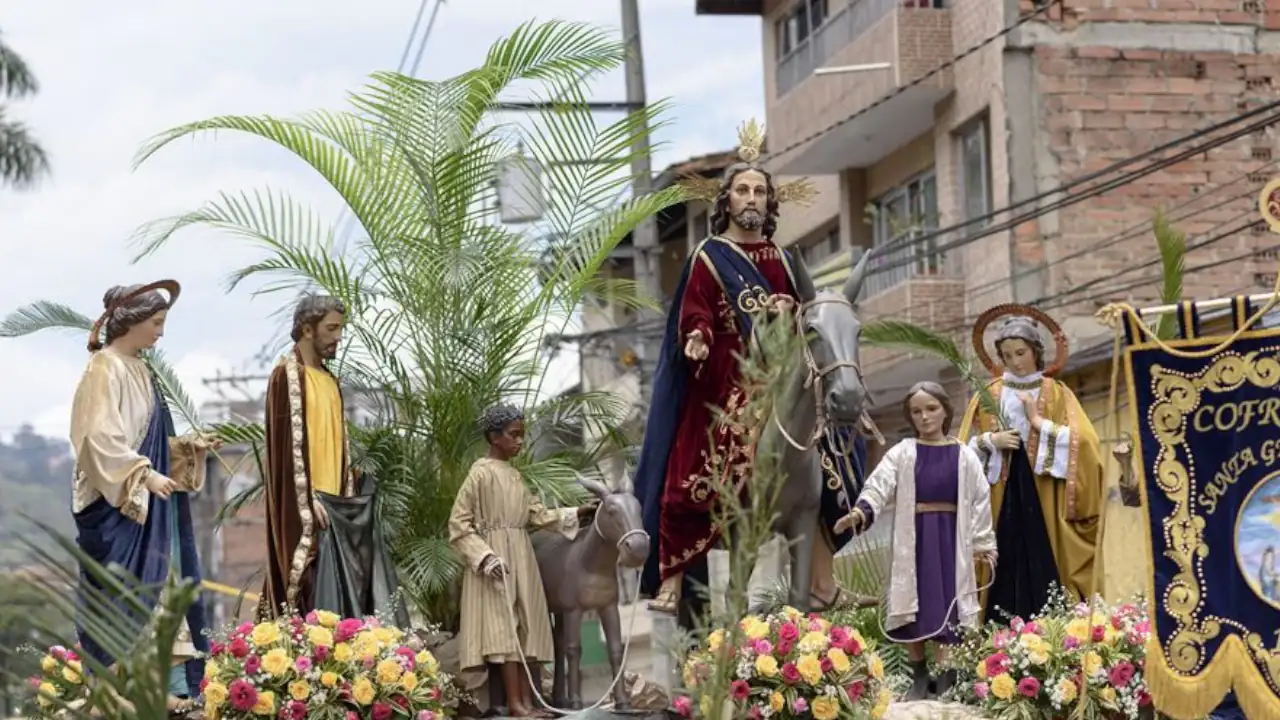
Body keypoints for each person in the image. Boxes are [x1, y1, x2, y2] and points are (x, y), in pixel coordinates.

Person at [633, 122, 869, 621]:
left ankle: (823, 579)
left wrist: (789, 307)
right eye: (742, 190)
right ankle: (673, 577)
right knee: (686, 468)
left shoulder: (781, 257)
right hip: (724, 371)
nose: (751, 199)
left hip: (778, 367)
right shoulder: (708, 255)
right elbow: (694, 309)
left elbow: (806, 314)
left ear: (769, 202)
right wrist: (696, 335)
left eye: (759, 191)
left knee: (835, 443)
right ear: (727, 200)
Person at [70, 280, 216, 707]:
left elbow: (148, 442)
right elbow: (96, 438)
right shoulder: (104, 368)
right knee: (124, 593)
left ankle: (159, 686)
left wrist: (188, 449)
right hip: (116, 504)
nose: (161, 333)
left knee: (159, 591)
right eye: (156, 323)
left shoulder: (142, 370)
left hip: (145, 505)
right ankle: (114, 689)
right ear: (131, 321)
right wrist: (142, 475)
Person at [835, 382, 996, 700]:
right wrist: (860, 512)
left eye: (931, 408)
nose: (925, 416)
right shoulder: (903, 452)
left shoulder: (965, 456)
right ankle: (919, 676)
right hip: (914, 539)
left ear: (945, 411)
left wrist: (983, 543)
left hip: (951, 540)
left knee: (947, 603)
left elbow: (980, 500)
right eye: (917, 411)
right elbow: (879, 484)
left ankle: (946, 677)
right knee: (913, 603)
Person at [258, 294, 405, 623]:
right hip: (310, 508)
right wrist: (307, 499)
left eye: (340, 329)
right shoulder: (287, 376)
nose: (339, 337)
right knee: (308, 597)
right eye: (332, 328)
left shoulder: (330, 380)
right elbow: (285, 454)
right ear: (307, 329)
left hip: (337, 508)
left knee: (341, 604)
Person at [447, 404, 597, 718]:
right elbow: (458, 524)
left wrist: (577, 512)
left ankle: (529, 703)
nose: (520, 441)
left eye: (521, 435)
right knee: (505, 630)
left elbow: (537, 514)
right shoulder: (480, 474)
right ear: (494, 437)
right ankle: (515, 705)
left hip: (521, 555)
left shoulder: (515, 475)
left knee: (527, 626)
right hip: (495, 562)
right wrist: (484, 556)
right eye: (514, 435)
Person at [956, 312, 1105, 620]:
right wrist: (991, 441)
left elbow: (1085, 442)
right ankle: (998, 630)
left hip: (1045, 492)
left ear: (1036, 351)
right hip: (1002, 492)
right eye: (1008, 355)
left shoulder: (1056, 392)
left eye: (1021, 353)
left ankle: (1057, 629)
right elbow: (963, 449)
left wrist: (1038, 422)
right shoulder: (988, 395)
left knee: (1045, 556)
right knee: (1004, 557)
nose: (1016, 361)